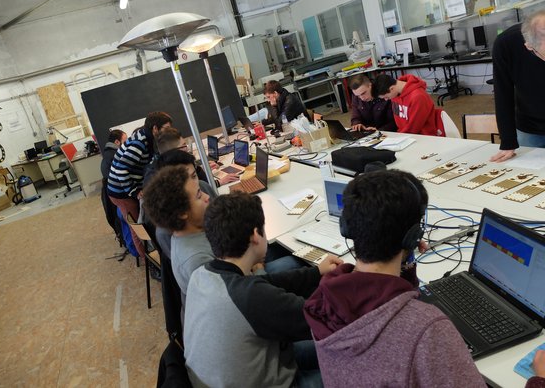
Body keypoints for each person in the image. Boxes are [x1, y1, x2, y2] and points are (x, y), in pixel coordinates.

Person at [303, 169, 486, 387]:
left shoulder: (324, 301)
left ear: (348, 228)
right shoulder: (428, 329)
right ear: (413, 237)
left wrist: (405, 263)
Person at [184, 192, 342, 388]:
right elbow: (326, 318)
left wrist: (317, 272)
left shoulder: (201, 275)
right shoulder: (251, 297)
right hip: (268, 380)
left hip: (224, 379)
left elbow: (265, 282)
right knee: (348, 363)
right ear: (256, 236)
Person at [142, 164, 308, 304]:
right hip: (248, 292)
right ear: (182, 213)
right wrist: (257, 268)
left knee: (282, 248)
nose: (207, 197)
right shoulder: (196, 261)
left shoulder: (193, 230)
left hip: (244, 274)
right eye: (199, 195)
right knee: (296, 261)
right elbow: (242, 295)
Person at [107, 111, 172, 257]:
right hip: (120, 192)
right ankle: (149, 259)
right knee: (139, 228)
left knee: (142, 223)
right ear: (155, 128)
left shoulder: (146, 138)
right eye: (166, 128)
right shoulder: (139, 143)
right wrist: (134, 191)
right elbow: (121, 169)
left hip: (123, 187)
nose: (169, 131)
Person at [491, 10, 545, 162]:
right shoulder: (506, 44)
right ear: (529, 46)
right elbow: (503, 94)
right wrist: (508, 141)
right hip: (531, 127)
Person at [100, 129, 137, 256]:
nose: (127, 144)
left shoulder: (108, 154)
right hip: (119, 196)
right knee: (132, 223)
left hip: (113, 196)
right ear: (117, 142)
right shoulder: (115, 155)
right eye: (125, 141)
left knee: (125, 221)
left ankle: (133, 248)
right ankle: (137, 252)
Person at [373, 73, 446, 136]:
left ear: (392, 88)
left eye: (386, 97)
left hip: (422, 137)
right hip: (405, 135)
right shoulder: (395, 94)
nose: (386, 99)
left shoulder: (418, 97)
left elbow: (414, 128)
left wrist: (398, 137)